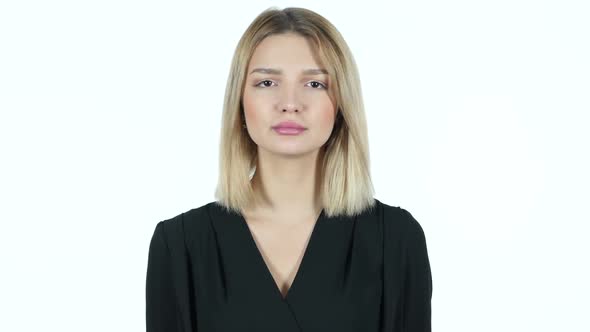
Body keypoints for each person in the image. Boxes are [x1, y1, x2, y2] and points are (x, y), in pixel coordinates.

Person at [146, 6, 432, 332]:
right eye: (267, 82)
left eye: (314, 84)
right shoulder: (180, 246)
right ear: (239, 102)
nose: (290, 103)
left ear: (340, 106)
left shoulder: (395, 241)